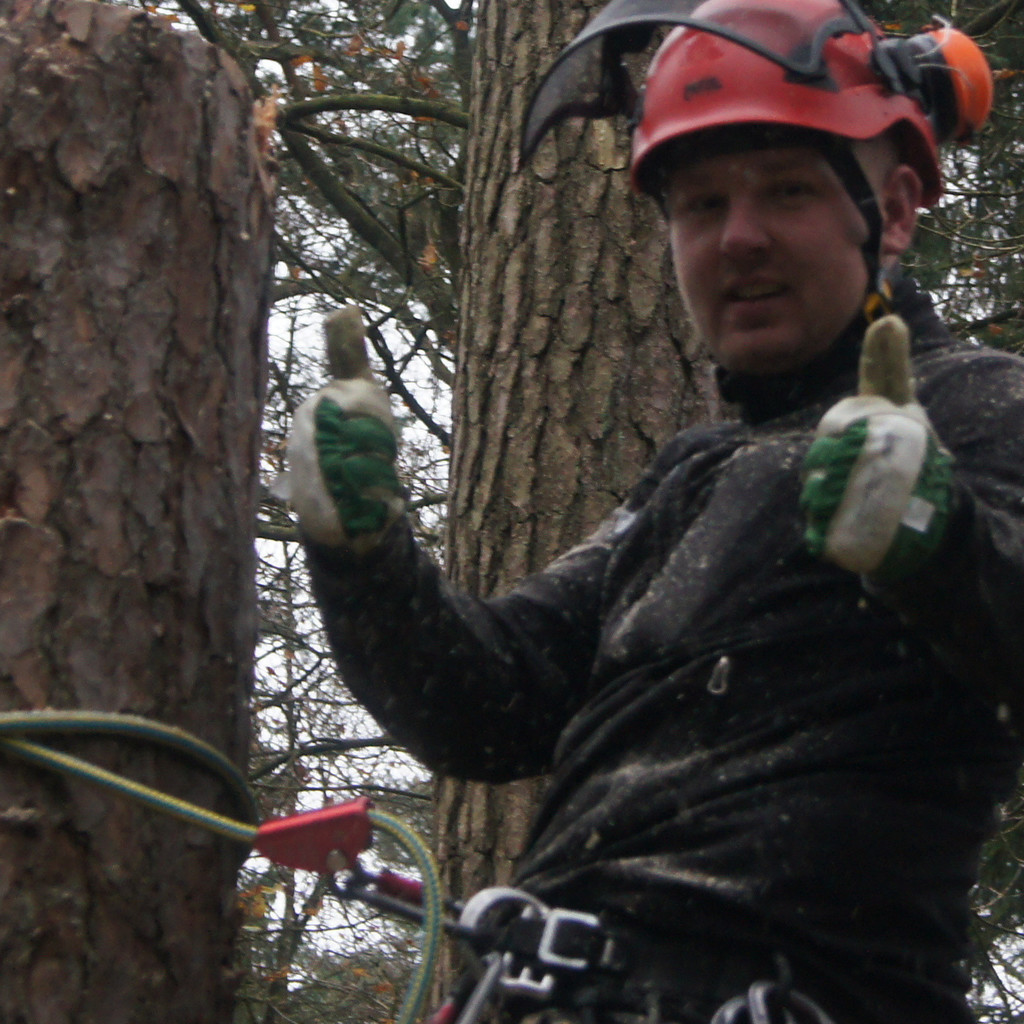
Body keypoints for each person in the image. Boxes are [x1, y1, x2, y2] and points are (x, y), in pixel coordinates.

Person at [284, 0, 1024, 1020]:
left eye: (786, 191)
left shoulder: (983, 407)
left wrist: (936, 544)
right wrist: (358, 550)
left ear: (893, 211)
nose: (739, 237)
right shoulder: (689, 473)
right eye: (700, 204)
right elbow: (486, 705)